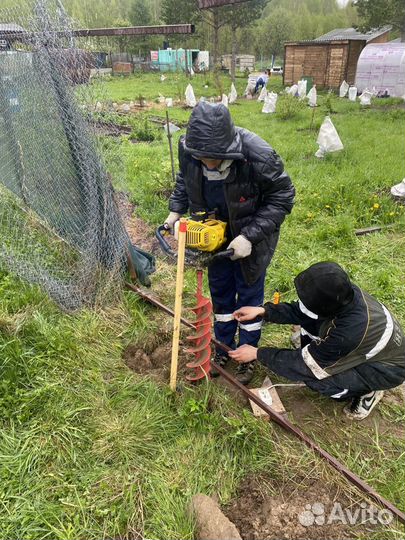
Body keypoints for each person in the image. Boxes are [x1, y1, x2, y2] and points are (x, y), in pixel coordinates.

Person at [165, 101, 295, 384]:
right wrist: (176, 211)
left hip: (251, 233)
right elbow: (184, 181)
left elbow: (283, 197)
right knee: (221, 292)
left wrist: (249, 236)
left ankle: (248, 352)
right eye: (201, 157)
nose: (206, 163)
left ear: (228, 147)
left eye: (213, 158)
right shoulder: (190, 150)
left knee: (248, 292)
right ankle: (223, 346)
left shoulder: (258, 155)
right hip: (214, 235)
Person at [229, 262, 405, 419]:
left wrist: (257, 353)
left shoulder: (349, 332)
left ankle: (368, 391)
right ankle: (333, 358)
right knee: (309, 326)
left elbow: (306, 366)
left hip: (385, 369)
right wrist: (263, 311)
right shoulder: (339, 293)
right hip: (362, 346)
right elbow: (302, 311)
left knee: (318, 380)